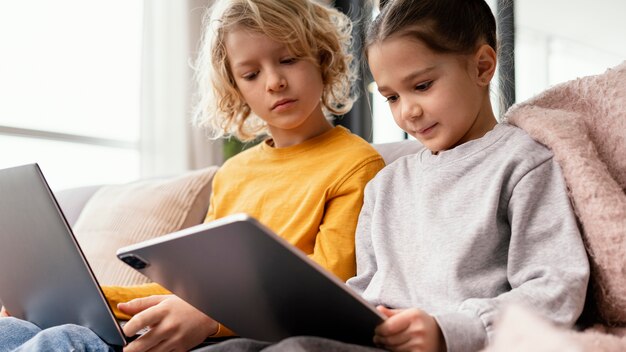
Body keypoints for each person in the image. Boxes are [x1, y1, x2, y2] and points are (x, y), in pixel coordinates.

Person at [196, 0, 591, 351]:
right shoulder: (386, 184)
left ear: (482, 66)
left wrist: (447, 330)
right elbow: (362, 289)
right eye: (392, 97)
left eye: (421, 86)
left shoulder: (521, 163)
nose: (408, 112)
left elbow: (555, 288)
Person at [0, 0, 384, 351]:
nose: (273, 82)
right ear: (236, 88)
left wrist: (212, 318)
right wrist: (81, 298)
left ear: (322, 56)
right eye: (251, 74)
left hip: (229, 335)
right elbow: (198, 286)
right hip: (184, 324)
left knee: (66, 340)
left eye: (288, 59)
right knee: (15, 331)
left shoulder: (355, 164)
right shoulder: (234, 173)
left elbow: (332, 289)